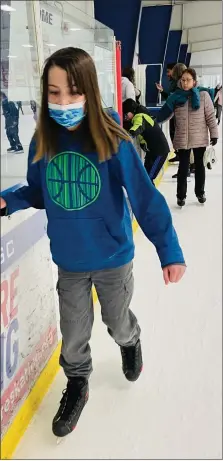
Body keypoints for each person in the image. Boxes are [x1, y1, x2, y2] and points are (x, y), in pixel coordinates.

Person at [0, 47, 186, 438]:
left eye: (72, 91)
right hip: (69, 259)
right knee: (74, 332)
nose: (63, 102)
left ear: (89, 91)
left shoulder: (112, 140)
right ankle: (78, 383)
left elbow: (145, 199)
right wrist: (9, 200)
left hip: (113, 256)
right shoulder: (42, 143)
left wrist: (169, 250)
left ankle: (130, 340)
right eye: (53, 93)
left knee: (115, 321)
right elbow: (40, 192)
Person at [156, 67, 218, 207]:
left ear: (194, 81)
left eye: (188, 80)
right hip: (182, 138)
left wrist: (214, 134)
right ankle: (181, 196)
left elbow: (210, 116)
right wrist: (152, 122)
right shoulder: (175, 97)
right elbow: (165, 114)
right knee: (183, 168)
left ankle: (200, 192)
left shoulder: (203, 95)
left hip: (199, 137)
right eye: (183, 80)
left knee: (199, 166)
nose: (185, 83)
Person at [122, 98, 170, 184]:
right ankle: (145, 196)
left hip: (159, 152)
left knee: (148, 178)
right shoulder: (140, 116)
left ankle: (152, 197)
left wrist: (129, 135)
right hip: (152, 152)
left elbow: (138, 126)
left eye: (126, 114)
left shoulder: (140, 116)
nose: (126, 117)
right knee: (145, 176)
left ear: (132, 110)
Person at [157, 63, 187, 167]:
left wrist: (157, 119)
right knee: (176, 136)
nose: (168, 73)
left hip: (178, 115)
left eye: (169, 71)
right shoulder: (177, 84)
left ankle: (186, 165)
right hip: (178, 115)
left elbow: (173, 100)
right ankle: (182, 159)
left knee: (179, 138)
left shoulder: (179, 84)